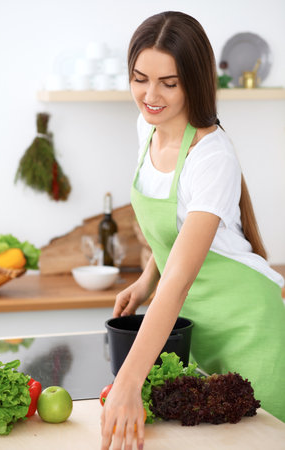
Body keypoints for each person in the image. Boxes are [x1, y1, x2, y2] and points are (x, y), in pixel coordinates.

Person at [100, 11, 285, 450]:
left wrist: (128, 382)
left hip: (248, 326)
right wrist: (147, 278)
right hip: (199, 328)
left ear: (195, 80)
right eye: (140, 78)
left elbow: (180, 280)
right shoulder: (147, 127)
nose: (151, 95)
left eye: (169, 82)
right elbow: (173, 237)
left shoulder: (210, 156)